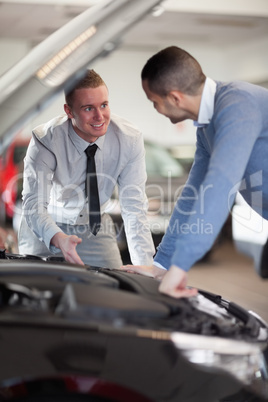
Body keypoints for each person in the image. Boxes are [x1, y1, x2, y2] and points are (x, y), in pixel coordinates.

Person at [121, 45, 268, 297]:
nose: (155, 109)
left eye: (154, 102)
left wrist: (181, 267)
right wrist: (162, 265)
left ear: (175, 97)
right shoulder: (206, 128)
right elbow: (192, 197)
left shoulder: (238, 104)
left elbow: (220, 187)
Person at [18, 69, 155, 268]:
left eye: (104, 105)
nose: (100, 117)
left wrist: (145, 266)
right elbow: (33, 204)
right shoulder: (45, 140)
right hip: (46, 228)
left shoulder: (129, 139)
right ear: (69, 111)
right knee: (36, 293)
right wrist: (58, 238)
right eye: (88, 108)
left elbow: (133, 206)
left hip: (95, 227)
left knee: (116, 288)